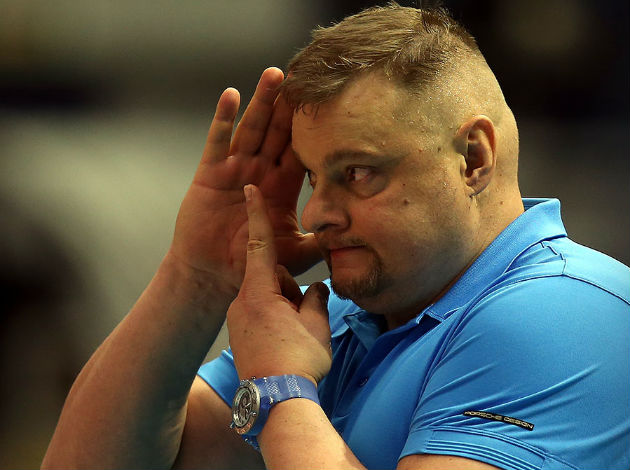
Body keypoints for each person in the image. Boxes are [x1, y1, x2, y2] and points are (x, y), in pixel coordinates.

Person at [42, 4, 629, 470]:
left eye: (358, 173)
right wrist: (196, 275)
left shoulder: (567, 313)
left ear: (473, 158)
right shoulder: (342, 318)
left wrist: (280, 390)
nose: (316, 212)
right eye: (312, 177)